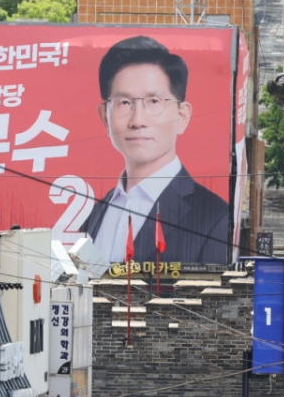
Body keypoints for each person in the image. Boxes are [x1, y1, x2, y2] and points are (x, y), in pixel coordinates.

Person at [81, 36, 229, 265]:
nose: (138, 120)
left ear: (182, 116)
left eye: (154, 102)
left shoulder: (214, 217)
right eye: (124, 103)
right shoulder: (96, 213)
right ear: (105, 118)